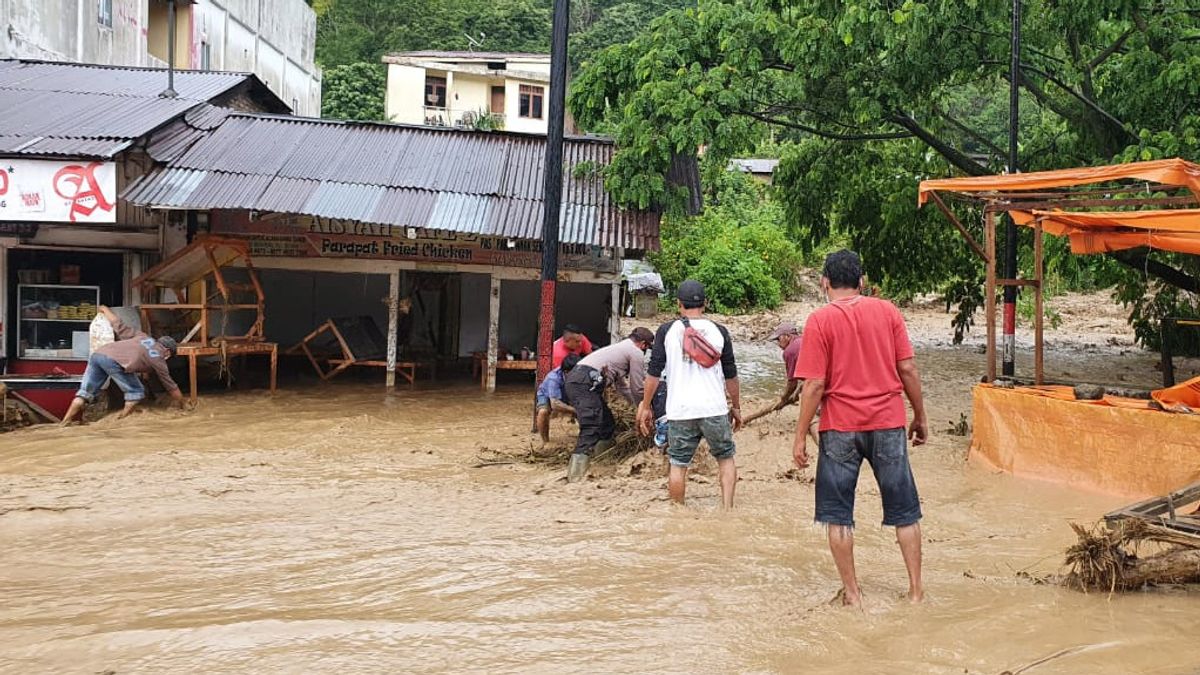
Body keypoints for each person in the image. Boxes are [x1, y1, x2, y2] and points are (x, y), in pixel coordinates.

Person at [791, 250, 929, 606]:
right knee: (905, 511)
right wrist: (920, 415)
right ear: (863, 282)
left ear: (824, 283)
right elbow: (909, 369)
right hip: (888, 422)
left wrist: (799, 436)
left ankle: (853, 595)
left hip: (839, 427)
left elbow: (814, 386)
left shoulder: (819, 321)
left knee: (838, 515)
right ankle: (916, 592)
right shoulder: (888, 311)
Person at [637, 280, 742, 508]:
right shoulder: (720, 332)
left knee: (678, 464)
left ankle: (677, 514)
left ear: (678, 304)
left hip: (680, 411)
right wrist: (736, 407)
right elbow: (731, 376)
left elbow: (654, 373)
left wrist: (645, 406)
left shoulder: (667, 331)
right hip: (714, 408)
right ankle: (727, 510)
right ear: (705, 303)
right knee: (725, 459)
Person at [62, 305, 185, 424]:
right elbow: (171, 386)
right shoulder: (159, 359)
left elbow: (118, 325)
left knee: (85, 393)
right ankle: (120, 423)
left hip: (98, 354)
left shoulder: (143, 336)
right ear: (168, 351)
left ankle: (64, 422)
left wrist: (105, 309)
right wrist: (182, 405)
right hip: (113, 361)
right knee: (136, 391)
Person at [562, 326, 655, 482]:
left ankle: (601, 462)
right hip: (585, 382)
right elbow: (637, 387)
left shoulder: (620, 349)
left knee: (606, 424)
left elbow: (623, 388)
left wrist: (635, 406)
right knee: (591, 425)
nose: (646, 351)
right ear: (644, 344)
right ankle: (575, 476)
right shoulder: (636, 352)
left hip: (579, 380)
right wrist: (645, 408)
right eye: (647, 348)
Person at [769, 321, 819, 444]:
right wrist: (796, 393)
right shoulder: (804, 341)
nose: (778, 344)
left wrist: (783, 399)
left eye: (778, 339)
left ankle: (824, 449)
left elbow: (792, 382)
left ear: (787, 336)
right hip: (826, 380)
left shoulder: (790, 351)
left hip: (818, 385)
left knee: (812, 419)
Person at [535, 353, 581, 443]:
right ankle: (545, 441)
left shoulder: (580, 373)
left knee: (584, 407)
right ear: (567, 372)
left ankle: (585, 436)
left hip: (567, 393)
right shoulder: (554, 378)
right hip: (547, 395)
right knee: (543, 412)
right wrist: (575, 410)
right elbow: (555, 404)